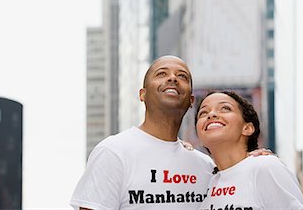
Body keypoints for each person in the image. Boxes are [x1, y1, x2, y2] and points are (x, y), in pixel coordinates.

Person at [71, 55, 215, 209]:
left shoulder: (206, 166)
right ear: (142, 94)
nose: (173, 78)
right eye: (161, 74)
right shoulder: (113, 152)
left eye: (182, 76)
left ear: (191, 100)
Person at [195, 91, 303, 210]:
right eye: (203, 113)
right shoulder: (209, 184)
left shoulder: (265, 166)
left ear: (247, 128)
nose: (211, 114)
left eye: (225, 108)